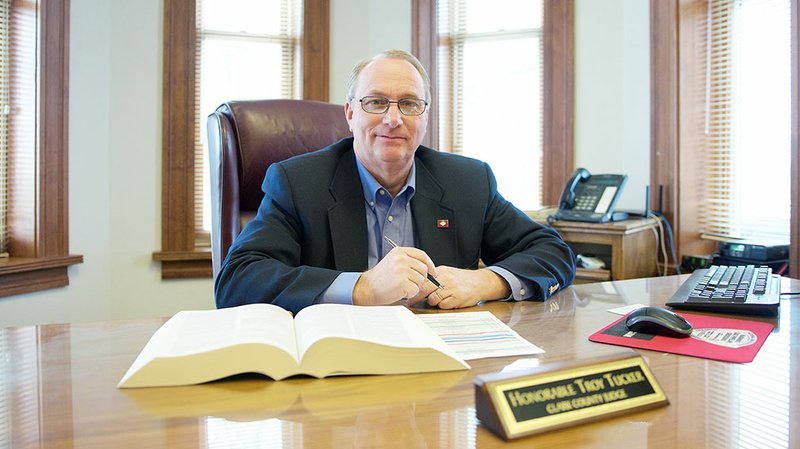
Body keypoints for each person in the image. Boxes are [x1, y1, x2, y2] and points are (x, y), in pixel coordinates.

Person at [215, 49, 576, 314]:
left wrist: (484, 281)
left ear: (424, 117)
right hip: (339, 371)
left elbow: (554, 253)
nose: (392, 119)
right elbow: (237, 280)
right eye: (375, 102)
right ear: (351, 113)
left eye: (408, 104)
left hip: (442, 366)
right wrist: (362, 288)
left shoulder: (468, 181)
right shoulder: (298, 182)